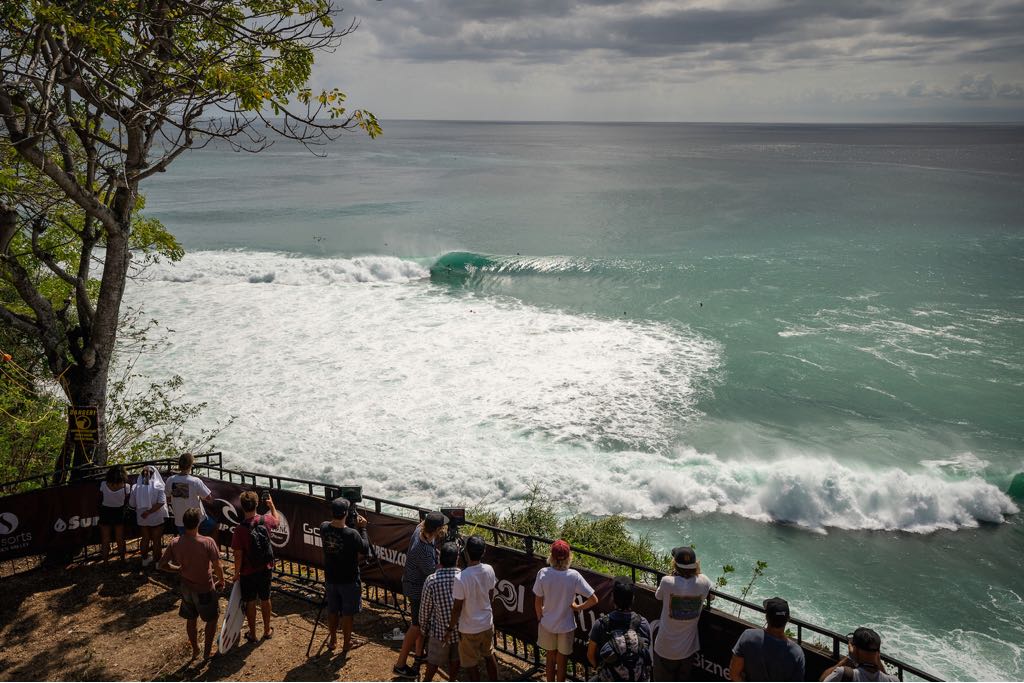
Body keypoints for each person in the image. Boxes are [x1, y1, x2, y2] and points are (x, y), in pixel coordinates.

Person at [159, 507, 226, 660]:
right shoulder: (207, 542)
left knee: (191, 619)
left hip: (186, 588)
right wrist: (221, 580)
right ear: (198, 523)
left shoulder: (175, 542)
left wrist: (178, 569)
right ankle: (207, 652)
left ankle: (195, 649)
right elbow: (217, 565)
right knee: (212, 619)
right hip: (204, 588)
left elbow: (162, 564)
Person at [533, 539, 599, 682]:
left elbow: (538, 601)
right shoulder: (573, 576)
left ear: (551, 556)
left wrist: (540, 618)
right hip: (566, 625)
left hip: (547, 623)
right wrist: (577, 607)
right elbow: (594, 599)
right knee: (562, 661)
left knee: (550, 658)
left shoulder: (543, 573)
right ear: (569, 557)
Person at [393, 510, 448, 679]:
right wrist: (450, 558)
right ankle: (400, 664)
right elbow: (433, 572)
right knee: (416, 626)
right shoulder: (422, 550)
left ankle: (419, 654)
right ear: (437, 529)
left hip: (413, 583)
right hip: (417, 589)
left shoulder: (420, 530)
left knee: (420, 624)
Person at [652, 546, 713, 680]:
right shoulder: (704, 581)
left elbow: (658, 596)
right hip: (687, 650)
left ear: (674, 564)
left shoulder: (667, 581)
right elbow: (712, 597)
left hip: (664, 648)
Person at [319, 497, 369, 652]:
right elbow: (365, 548)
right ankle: (346, 643)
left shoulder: (324, 527)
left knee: (333, 610)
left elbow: (335, 527)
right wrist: (364, 528)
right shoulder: (352, 534)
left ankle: (333, 640)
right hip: (349, 579)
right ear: (346, 513)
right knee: (348, 614)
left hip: (331, 577)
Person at [230, 489, 279, 642]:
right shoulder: (266, 521)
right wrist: (271, 506)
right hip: (266, 567)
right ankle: (266, 630)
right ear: (257, 504)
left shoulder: (239, 530)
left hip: (248, 571)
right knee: (265, 598)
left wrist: (236, 573)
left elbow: (238, 555)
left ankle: (252, 633)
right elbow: (277, 521)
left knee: (250, 601)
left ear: (242, 507)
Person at [449, 535, 498, 680]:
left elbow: (457, 608)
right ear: (483, 552)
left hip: (468, 628)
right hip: (486, 623)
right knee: (489, 655)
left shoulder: (461, 577)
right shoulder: (489, 569)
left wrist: (450, 628)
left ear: (466, 552)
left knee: (471, 664)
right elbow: (490, 594)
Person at [587, 576, 653, 682]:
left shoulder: (601, 624)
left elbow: (590, 655)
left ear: (613, 597)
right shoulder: (643, 623)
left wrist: (601, 668)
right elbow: (645, 651)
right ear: (633, 598)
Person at [729, 597, 805, 682]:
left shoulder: (748, 636)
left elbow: (734, 674)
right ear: (788, 619)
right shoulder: (797, 653)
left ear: (766, 617)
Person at [419, 542, 462, 682]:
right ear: (457, 559)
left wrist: (423, 627)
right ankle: (452, 679)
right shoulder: (464, 577)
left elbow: (425, 608)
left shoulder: (432, 580)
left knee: (433, 661)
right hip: (460, 630)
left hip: (439, 631)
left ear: (439, 558)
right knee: (456, 659)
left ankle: (427, 681)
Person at [820, 628, 898, 682]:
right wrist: (876, 658)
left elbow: (822, 680)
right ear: (878, 653)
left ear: (854, 649)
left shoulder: (843, 674)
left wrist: (850, 657)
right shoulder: (893, 680)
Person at [165, 453, 216, 536]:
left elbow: (168, 499)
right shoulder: (195, 481)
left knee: (186, 542)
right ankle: (210, 547)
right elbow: (208, 497)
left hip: (180, 520)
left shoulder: (170, 480)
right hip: (197, 520)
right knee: (214, 526)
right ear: (191, 465)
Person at [130, 464, 169, 567]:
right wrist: (150, 511)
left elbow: (132, 504)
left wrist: (144, 511)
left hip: (142, 517)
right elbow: (161, 502)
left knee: (145, 538)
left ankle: (144, 560)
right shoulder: (159, 486)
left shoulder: (135, 487)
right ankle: (157, 562)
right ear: (155, 474)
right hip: (156, 517)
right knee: (156, 540)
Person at [97, 465, 131, 562]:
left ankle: (105, 561)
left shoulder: (103, 484)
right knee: (120, 538)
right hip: (119, 512)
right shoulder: (126, 487)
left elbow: (100, 498)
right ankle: (122, 559)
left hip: (105, 512)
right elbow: (127, 500)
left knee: (105, 539)